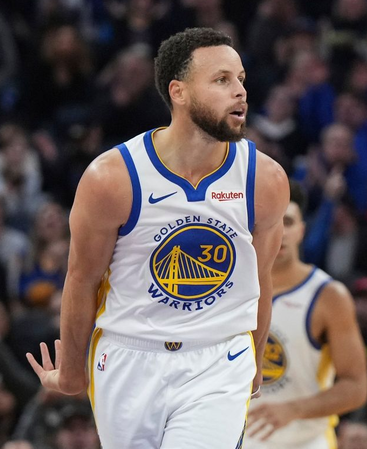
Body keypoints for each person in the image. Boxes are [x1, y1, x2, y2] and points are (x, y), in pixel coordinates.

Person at [25, 28, 288, 448]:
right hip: (128, 357)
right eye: (221, 80)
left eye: (240, 79)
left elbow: (260, 280)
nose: (240, 91)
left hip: (218, 359)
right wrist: (72, 372)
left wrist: (255, 361)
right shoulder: (112, 178)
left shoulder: (264, 180)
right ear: (178, 92)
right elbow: (82, 279)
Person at [244, 181, 367, 449]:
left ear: (301, 231)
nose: (279, 231)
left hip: (307, 441)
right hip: (239, 439)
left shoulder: (328, 296)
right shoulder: (231, 288)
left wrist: (293, 409)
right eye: (269, 221)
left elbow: (357, 387)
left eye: (288, 222)